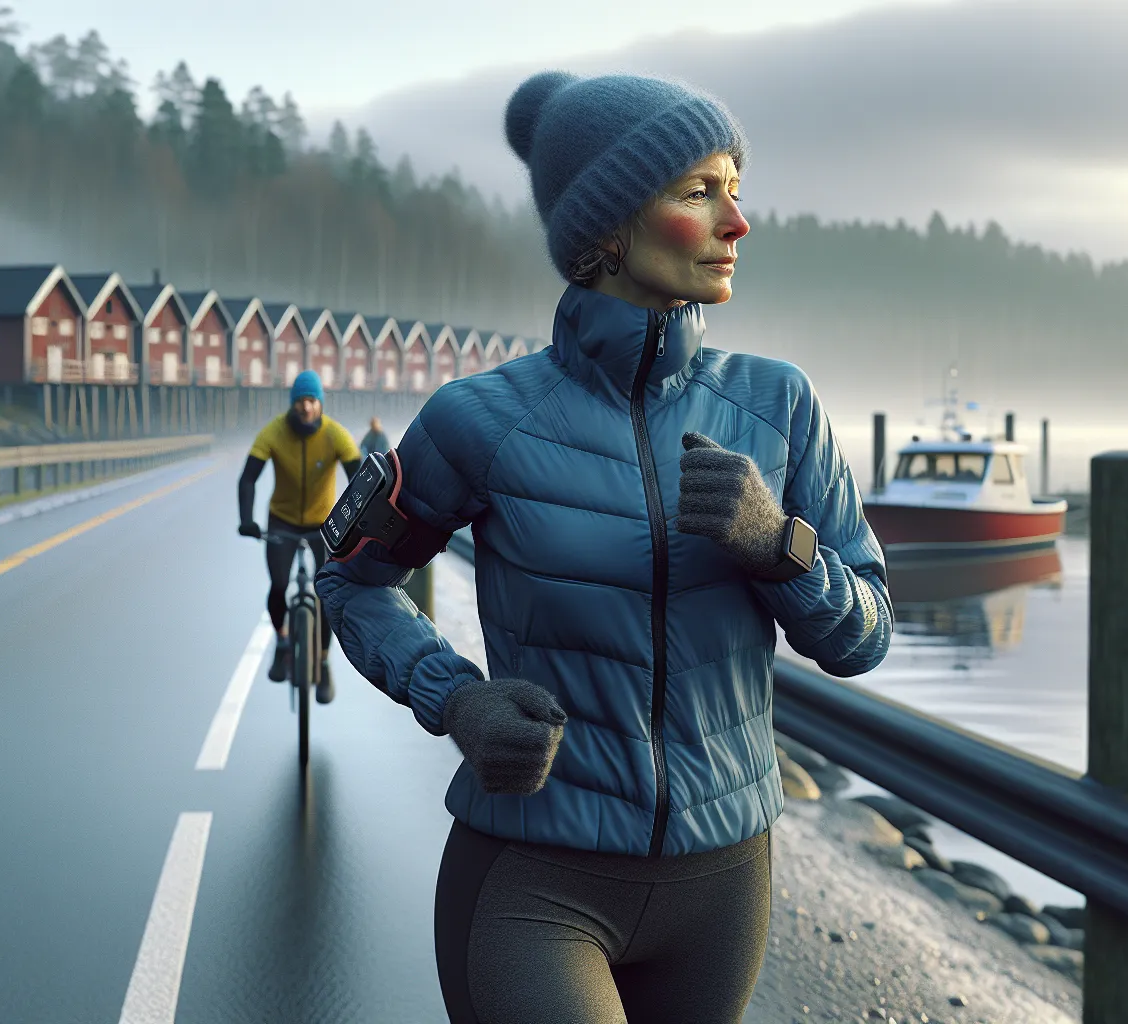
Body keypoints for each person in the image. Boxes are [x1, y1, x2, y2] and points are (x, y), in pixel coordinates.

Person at [318, 71, 892, 1023]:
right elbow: (351, 581)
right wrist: (455, 698)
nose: (738, 221)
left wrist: (778, 545)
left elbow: (864, 635)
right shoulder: (479, 419)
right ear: (609, 229)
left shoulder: (780, 404)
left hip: (725, 885)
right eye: (699, 192)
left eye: (735, 188)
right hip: (534, 880)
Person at [238, 370, 360, 703]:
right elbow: (248, 478)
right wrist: (246, 520)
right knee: (279, 585)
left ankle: (324, 662)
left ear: (320, 403)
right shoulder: (274, 432)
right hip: (283, 521)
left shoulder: (336, 435)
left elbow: (360, 478)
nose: (306, 407)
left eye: (311, 401)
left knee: (326, 596)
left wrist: (357, 521)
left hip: (324, 525)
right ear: (292, 404)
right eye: (300, 401)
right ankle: (281, 641)